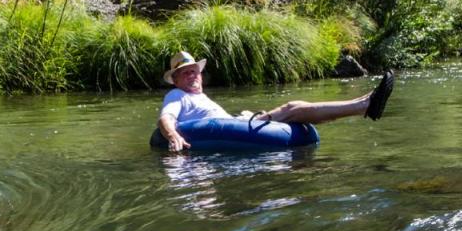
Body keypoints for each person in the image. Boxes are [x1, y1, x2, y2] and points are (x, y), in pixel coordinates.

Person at [156, 51, 394, 152]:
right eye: (185, 72)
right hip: (232, 128)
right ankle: (363, 106)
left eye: (194, 71)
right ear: (175, 80)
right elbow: (166, 117)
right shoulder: (177, 96)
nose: (192, 75)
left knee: (293, 107)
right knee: (291, 108)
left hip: (240, 123)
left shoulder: (200, 97)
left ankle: (364, 102)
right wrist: (173, 135)